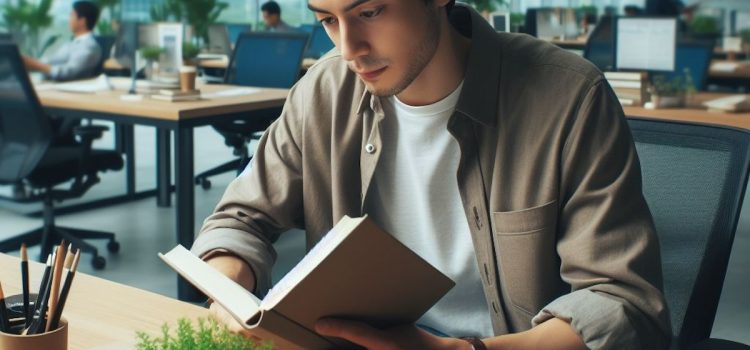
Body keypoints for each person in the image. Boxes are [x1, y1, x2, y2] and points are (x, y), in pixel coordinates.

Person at [192, 0, 672, 349]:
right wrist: (230, 288)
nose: (349, 48)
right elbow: (238, 220)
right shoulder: (323, 91)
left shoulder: (568, 97)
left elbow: (623, 302)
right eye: (327, 21)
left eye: (369, 12)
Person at [23, 1, 102, 82]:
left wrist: (37, 65)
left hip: (71, 91)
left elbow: (68, 72)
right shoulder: (71, 44)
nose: (69, 19)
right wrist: (30, 63)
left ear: (82, 21)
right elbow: (52, 61)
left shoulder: (89, 46)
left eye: (72, 15)